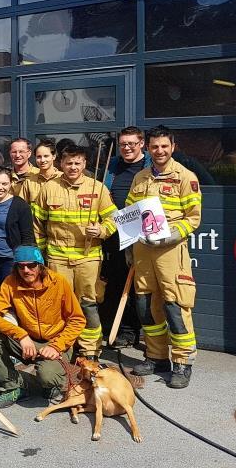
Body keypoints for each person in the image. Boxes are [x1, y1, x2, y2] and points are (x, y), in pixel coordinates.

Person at [126, 125, 202, 389]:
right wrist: (129, 245)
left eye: (164, 146)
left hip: (171, 252)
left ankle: (182, 363)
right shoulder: (141, 177)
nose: (159, 151)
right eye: (155, 146)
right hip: (143, 251)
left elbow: (193, 218)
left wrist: (169, 236)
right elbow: (130, 211)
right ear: (148, 148)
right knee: (146, 306)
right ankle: (156, 357)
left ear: (173, 147)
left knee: (175, 306)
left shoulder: (185, 177)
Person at [31, 144, 118, 359]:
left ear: (84, 163)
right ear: (61, 163)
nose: (73, 167)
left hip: (88, 258)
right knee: (60, 305)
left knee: (88, 304)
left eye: (77, 163)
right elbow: (37, 223)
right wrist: (39, 255)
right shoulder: (49, 188)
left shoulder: (97, 188)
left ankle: (90, 350)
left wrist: (101, 230)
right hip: (57, 257)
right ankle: (63, 348)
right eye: (68, 163)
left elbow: (113, 218)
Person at [0, 246, 85, 408]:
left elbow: (77, 320)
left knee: (48, 377)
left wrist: (56, 346)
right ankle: (14, 386)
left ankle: (49, 381)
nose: (26, 270)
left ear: (40, 265)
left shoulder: (59, 282)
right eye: (21, 266)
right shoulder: (10, 282)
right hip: (27, 341)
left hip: (56, 341)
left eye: (31, 265)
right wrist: (21, 335)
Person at [101, 127, 151, 348]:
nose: (127, 148)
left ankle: (143, 332)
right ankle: (124, 330)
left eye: (131, 143)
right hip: (115, 231)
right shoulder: (112, 165)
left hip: (142, 232)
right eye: (123, 144)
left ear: (141, 144)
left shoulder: (150, 166)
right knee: (119, 282)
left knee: (142, 285)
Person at [0, 167, 36, 285]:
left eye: (4, 184)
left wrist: (25, 263)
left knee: (9, 292)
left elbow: (27, 236)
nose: (0, 187)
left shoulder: (20, 205)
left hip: (11, 260)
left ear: (10, 184)